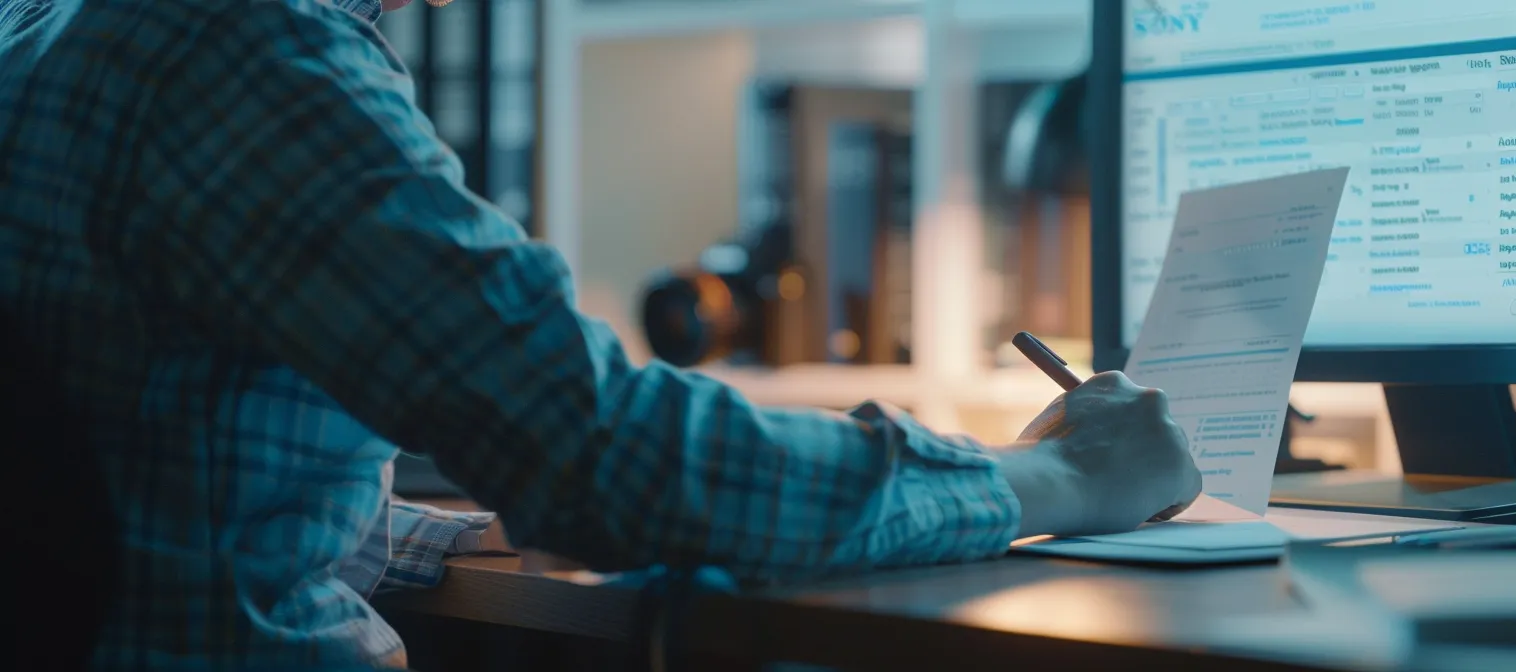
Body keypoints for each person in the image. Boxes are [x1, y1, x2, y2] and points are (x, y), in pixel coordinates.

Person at [0, 0, 1201, 668]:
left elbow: (158, 464)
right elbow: (614, 463)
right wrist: (1058, 472)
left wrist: (441, 540)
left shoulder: (51, 30)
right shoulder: (251, 51)